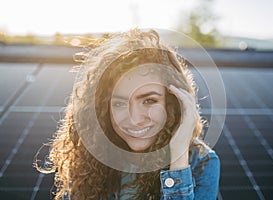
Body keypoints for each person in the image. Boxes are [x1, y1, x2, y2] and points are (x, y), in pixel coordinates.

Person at [35, 28, 220, 199]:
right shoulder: (89, 153)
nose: (134, 118)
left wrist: (178, 158)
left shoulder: (202, 163)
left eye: (149, 100)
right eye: (119, 103)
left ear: (173, 103)